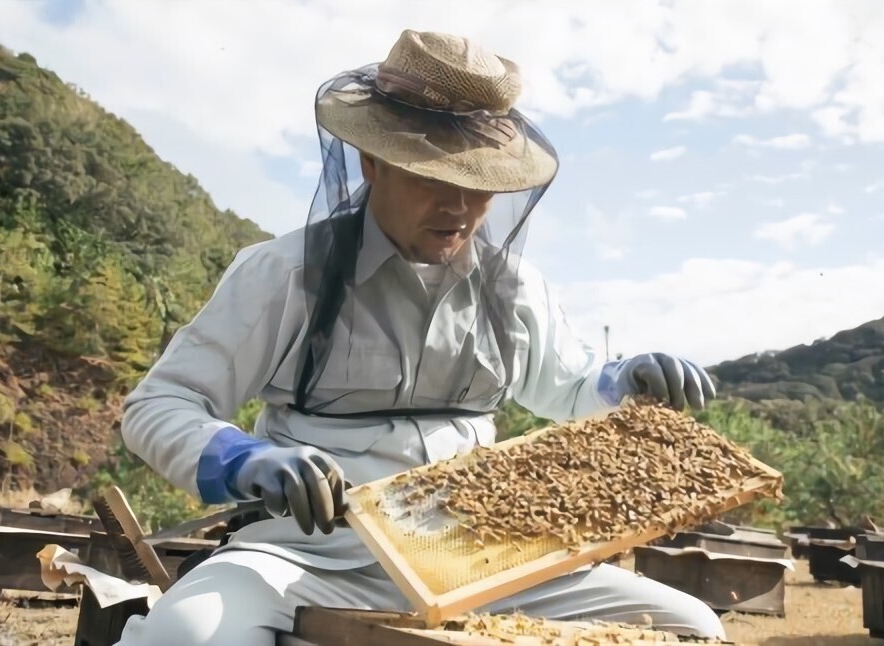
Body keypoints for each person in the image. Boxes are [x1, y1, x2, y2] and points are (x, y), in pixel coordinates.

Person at [116, 29, 724, 645]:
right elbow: (159, 405)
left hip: (484, 551)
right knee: (188, 635)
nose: (459, 207)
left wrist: (626, 384)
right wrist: (242, 458)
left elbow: (570, 388)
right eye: (434, 178)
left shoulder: (513, 287)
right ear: (373, 163)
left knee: (691, 628)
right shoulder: (284, 274)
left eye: (479, 183)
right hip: (312, 557)